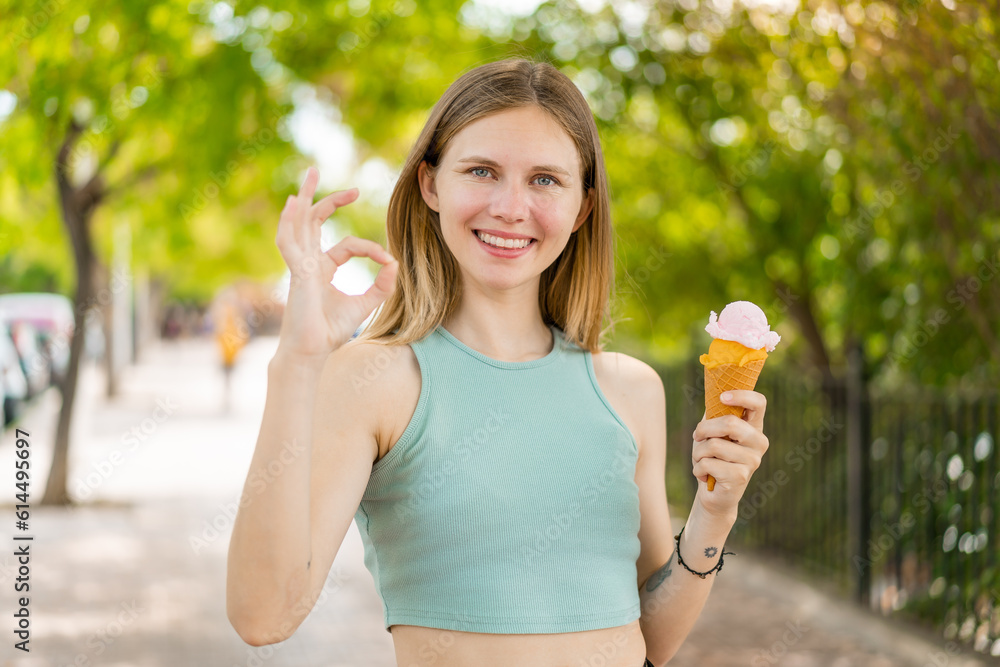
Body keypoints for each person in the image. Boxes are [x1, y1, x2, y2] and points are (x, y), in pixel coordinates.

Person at [226, 57, 770, 667]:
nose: (512, 208)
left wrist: (715, 513)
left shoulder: (630, 390)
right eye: (482, 171)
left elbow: (655, 642)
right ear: (431, 185)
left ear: (582, 207)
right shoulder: (376, 378)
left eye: (545, 180)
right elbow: (262, 615)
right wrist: (298, 364)